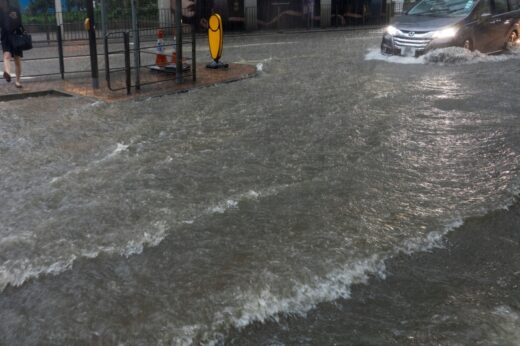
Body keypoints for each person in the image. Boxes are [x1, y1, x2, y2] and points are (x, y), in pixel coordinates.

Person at [0, 0, 24, 88]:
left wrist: (13, 17)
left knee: (17, 60)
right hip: (5, 37)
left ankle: (17, 81)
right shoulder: (0, 12)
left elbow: (19, 22)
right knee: (6, 55)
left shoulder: (14, 10)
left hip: (15, 36)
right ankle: (8, 73)